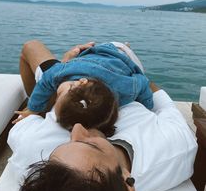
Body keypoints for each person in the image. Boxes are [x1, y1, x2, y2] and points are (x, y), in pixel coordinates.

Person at [7, 42, 198, 191]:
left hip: (63, 85)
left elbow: (28, 114)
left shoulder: (30, 154)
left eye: (60, 146)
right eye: (93, 144)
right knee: (122, 49)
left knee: (30, 47)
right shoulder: (174, 146)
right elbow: (153, 92)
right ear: (127, 182)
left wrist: (65, 72)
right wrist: (125, 72)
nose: (77, 128)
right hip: (124, 70)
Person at [13, 41, 153, 136]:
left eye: (59, 95)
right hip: (107, 55)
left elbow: (142, 82)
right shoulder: (125, 88)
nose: (57, 91)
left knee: (30, 46)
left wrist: (33, 108)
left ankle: (125, 46)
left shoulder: (61, 73)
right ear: (82, 82)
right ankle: (124, 47)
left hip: (111, 57)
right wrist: (149, 105)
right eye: (60, 93)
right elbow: (142, 82)